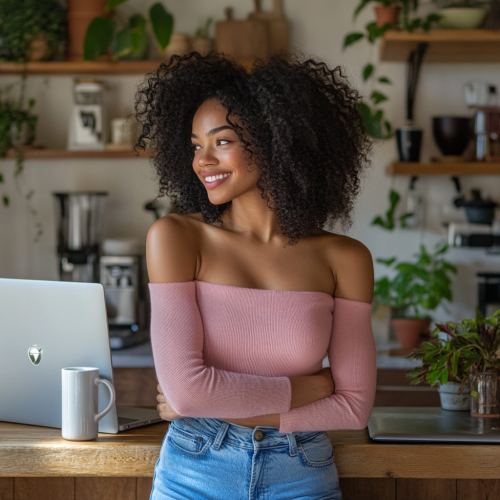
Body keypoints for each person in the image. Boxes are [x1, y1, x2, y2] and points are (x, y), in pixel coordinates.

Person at [134, 52, 376, 500]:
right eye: (194, 145)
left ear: (275, 140)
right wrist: (313, 388)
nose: (202, 160)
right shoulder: (176, 238)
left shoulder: (345, 258)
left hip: (302, 472)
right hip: (194, 473)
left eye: (221, 141)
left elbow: (354, 408)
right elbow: (188, 394)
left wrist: (221, 403)